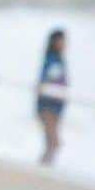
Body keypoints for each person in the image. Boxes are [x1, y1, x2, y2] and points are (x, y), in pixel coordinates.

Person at [36, 29, 68, 166]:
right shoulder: (50, 60)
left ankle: (46, 166)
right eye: (62, 40)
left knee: (52, 142)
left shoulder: (61, 60)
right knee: (53, 142)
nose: (65, 43)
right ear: (55, 42)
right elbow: (43, 82)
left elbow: (62, 84)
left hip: (56, 105)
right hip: (47, 105)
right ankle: (43, 167)